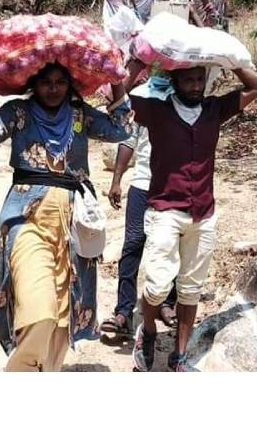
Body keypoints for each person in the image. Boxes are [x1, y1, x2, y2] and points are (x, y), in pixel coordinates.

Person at [0, 55, 132, 372]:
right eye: (46, 82)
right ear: (33, 83)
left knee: (61, 316)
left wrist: (116, 78)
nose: (53, 89)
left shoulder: (80, 116)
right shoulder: (19, 112)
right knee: (39, 311)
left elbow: (121, 129)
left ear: (70, 85)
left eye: (60, 82)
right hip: (27, 220)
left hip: (73, 226)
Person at [125, 59, 257, 371]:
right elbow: (118, 100)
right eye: (188, 80)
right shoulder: (156, 111)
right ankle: (147, 331)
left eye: (199, 79)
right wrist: (135, 65)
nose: (195, 86)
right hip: (165, 209)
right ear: (174, 82)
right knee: (158, 284)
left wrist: (234, 62)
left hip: (203, 213)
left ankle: (180, 354)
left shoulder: (214, 109)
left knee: (190, 289)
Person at [100, 75, 178, 336]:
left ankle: (168, 304)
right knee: (133, 244)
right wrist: (117, 180)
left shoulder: (186, 92)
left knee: (171, 245)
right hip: (143, 184)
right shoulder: (141, 95)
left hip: (173, 186)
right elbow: (129, 140)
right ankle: (123, 312)